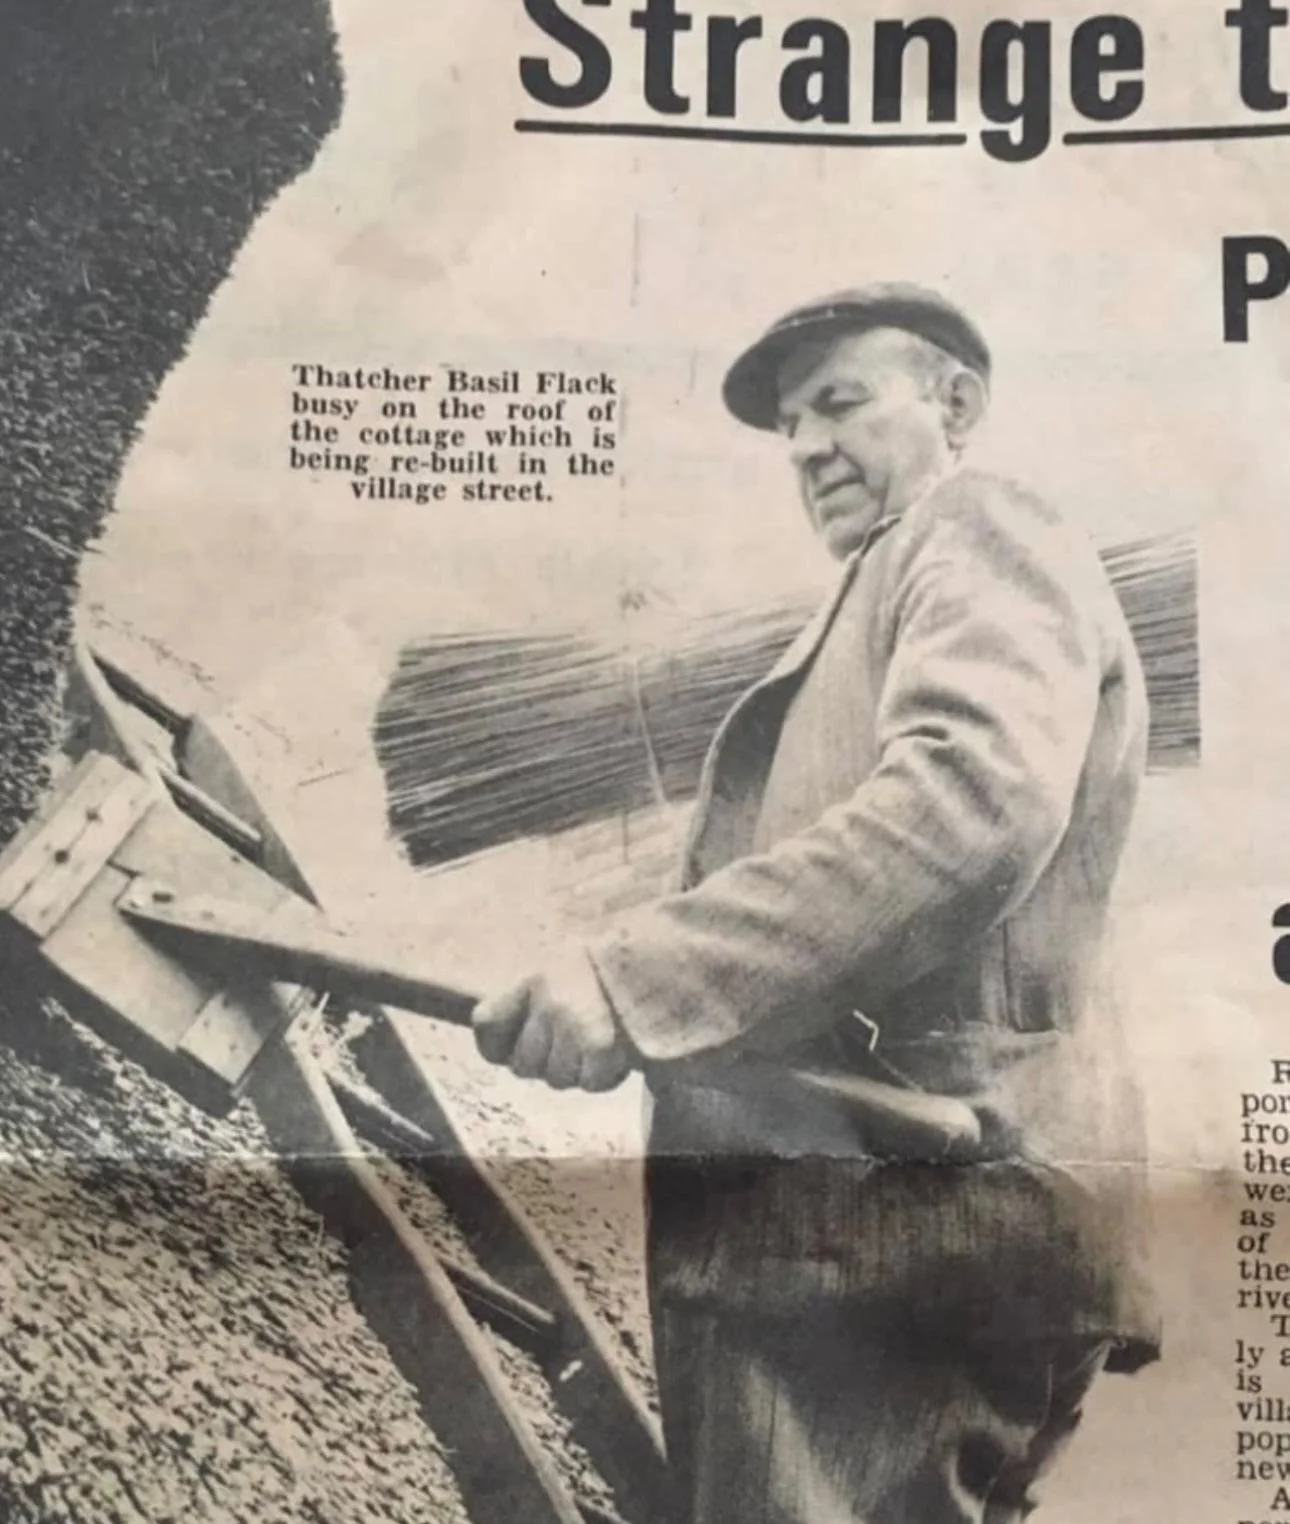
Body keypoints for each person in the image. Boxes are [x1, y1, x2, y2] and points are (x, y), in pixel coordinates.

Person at [472, 283, 1160, 1523]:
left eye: (838, 403)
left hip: (894, 1228)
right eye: (789, 426)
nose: (805, 448)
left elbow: (969, 801)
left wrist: (639, 981)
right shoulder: (884, 592)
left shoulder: (977, 529)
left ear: (956, 405)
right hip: (866, 1233)